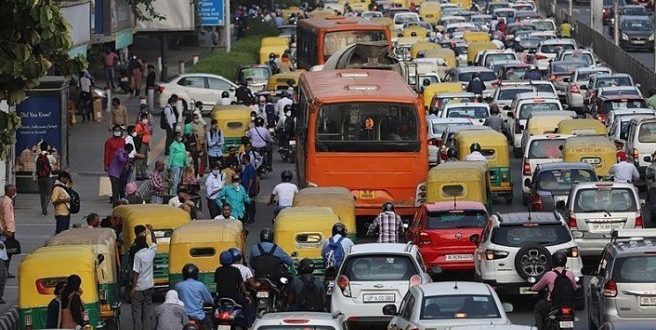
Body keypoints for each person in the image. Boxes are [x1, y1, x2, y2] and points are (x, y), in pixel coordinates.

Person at [530, 251, 576, 330]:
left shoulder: (549, 274)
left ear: (553, 262)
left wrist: (531, 288)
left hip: (552, 304)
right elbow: (574, 288)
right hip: (568, 304)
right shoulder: (570, 274)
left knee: (538, 308)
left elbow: (538, 287)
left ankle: (540, 328)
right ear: (565, 262)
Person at [214, 251, 254, 326]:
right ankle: (248, 324)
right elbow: (241, 284)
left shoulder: (218, 270)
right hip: (234, 296)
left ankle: (214, 323)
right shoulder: (235, 270)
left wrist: (218, 294)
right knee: (247, 305)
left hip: (221, 296)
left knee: (214, 306)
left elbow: (217, 285)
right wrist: (245, 294)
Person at [131, 224, 157, 330]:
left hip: (139, 287)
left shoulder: (137, 255)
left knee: (136, 312)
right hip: (149, 286)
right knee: (147, 311)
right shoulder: (150, 252)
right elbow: (155, 242)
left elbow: (136, 273)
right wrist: (152, 231)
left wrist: (133, 288)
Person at [175, 263, 214, 329]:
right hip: (199, 317)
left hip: (182, 316)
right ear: (196, 274)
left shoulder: (178, 286)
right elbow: (209, 300)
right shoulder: (200, 285)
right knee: (210, 325)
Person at [34, 141, 56, 216]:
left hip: (40, 177)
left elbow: (35, 168)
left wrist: (34, 178)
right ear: (47, 148)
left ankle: (43, 209)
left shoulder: (37, 157)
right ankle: (45, 207)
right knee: (49, 193)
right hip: (48, 176)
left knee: (42, 193)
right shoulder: (50, 156)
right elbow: (55, 162)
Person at [241, 154, 258, 224]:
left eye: (243, 159)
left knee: (250, 204)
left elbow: (251, 179)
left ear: (245, 159)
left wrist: (248, 190)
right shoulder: (246, 167)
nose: (242, 160)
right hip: (245, 189)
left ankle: (251, 219)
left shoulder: (250, 168)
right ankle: (247, 218)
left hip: (249, 191)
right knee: (246, 205)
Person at [135, 113, 151, 180]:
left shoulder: (146, 125)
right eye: (144, 118)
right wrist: (143, 132)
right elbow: (136, 133)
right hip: (142, 143)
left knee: (145, 159)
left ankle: (144, 173)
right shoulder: (139, 125)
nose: (145, 119)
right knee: (140, 159)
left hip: (146, 143)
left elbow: (148, 134)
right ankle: (138, 174)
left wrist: (149, 145)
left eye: (146, 118)